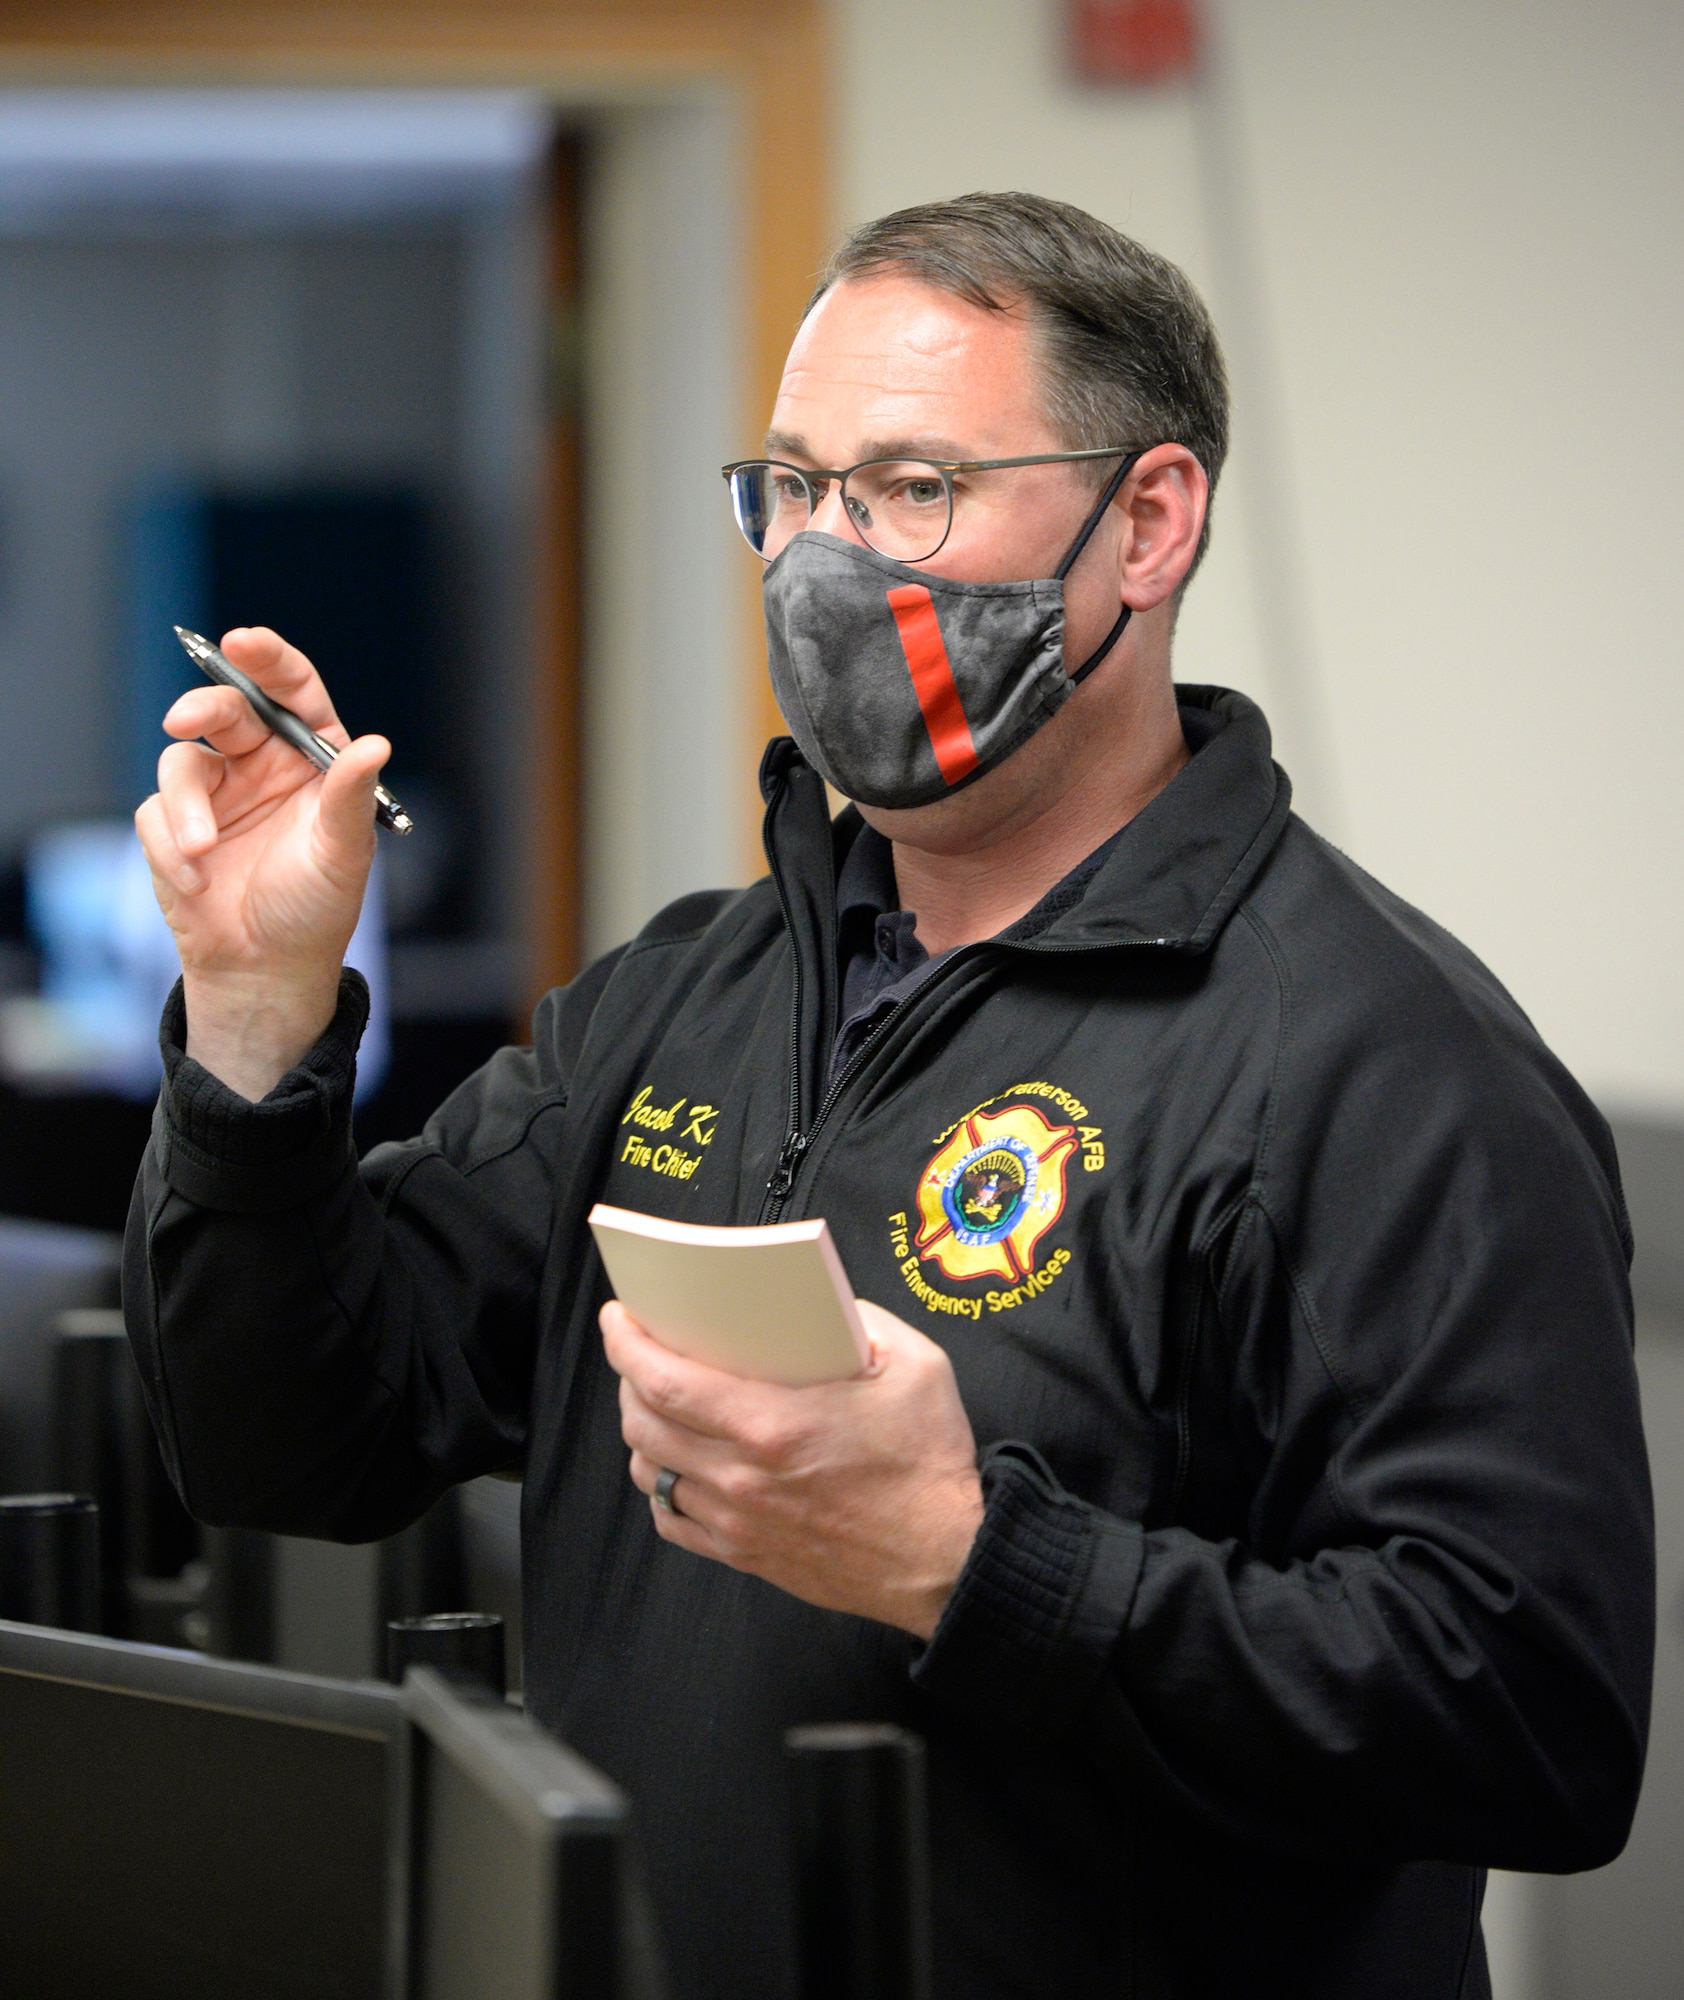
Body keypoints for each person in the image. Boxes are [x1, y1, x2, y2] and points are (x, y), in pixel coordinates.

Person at [126, 193, 1652, 1999]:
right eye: (792, 484)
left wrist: (973, 1566)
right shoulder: (691, 992)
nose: (823, 559)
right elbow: (290, 1439)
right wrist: (250, 1020)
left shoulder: (1383, 1062)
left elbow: (1535, 1716)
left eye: (912, 487)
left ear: (1145, 524)